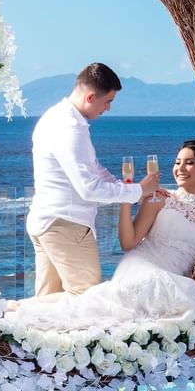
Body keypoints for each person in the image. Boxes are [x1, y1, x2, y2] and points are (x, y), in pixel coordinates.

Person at [4, 139, 195, 332]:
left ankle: (17, 311)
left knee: (99, 309)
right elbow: (129, 243)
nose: (180, 168)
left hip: (169, 277)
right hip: (140, 266)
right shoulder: (161, 199)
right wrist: (128, 198)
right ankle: (14, 311)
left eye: (189, 162)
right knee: (99, 309)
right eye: (177, 162)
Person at [26, 63, 161, 298]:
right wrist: (138, 191)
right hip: (66, 224)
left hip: (46, 223)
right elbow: (89, 189)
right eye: (108, 101)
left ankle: (3, 318)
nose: (108, 109)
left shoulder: (55, 117)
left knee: (48, 303)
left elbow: (94, 169)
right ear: (90, 97)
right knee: (88, 300)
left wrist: (128, 188)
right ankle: (0, 312)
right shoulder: (69, 128)